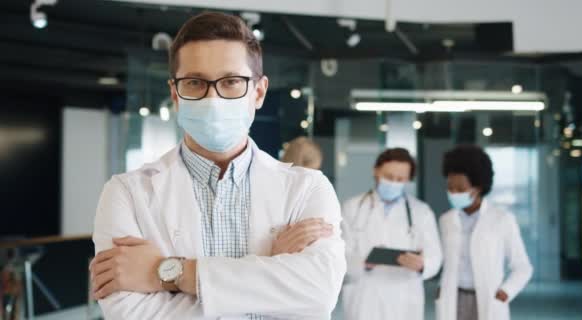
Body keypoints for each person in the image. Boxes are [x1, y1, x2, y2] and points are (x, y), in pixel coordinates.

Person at [88, 12, 345, 319]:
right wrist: (270, 268)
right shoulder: (126, 193)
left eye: (232, 81)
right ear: (175, 94)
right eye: (195, 83)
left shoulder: (307, 188)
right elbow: (130, 312)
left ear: (259, 92)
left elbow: (318, 292)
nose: (213, 98)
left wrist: (167, 272)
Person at [341, 148, 442, 320]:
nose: (394, 183)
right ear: (376, 171)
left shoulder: (421, 212)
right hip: (365, 296)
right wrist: (363, 262)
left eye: (400, 179)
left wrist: (422, 265)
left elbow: (435, 256)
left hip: (404, 297)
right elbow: (339, 254)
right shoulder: (352, 207)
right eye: (389, 177)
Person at [436, 145, 533, 320]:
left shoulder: (502, 220)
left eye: (460, 189)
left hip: (489, 299)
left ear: (478, 188)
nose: (453, 193)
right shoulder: (446, 220)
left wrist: (505, 292)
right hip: (453, 297)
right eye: (450, 188)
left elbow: (522, 267)